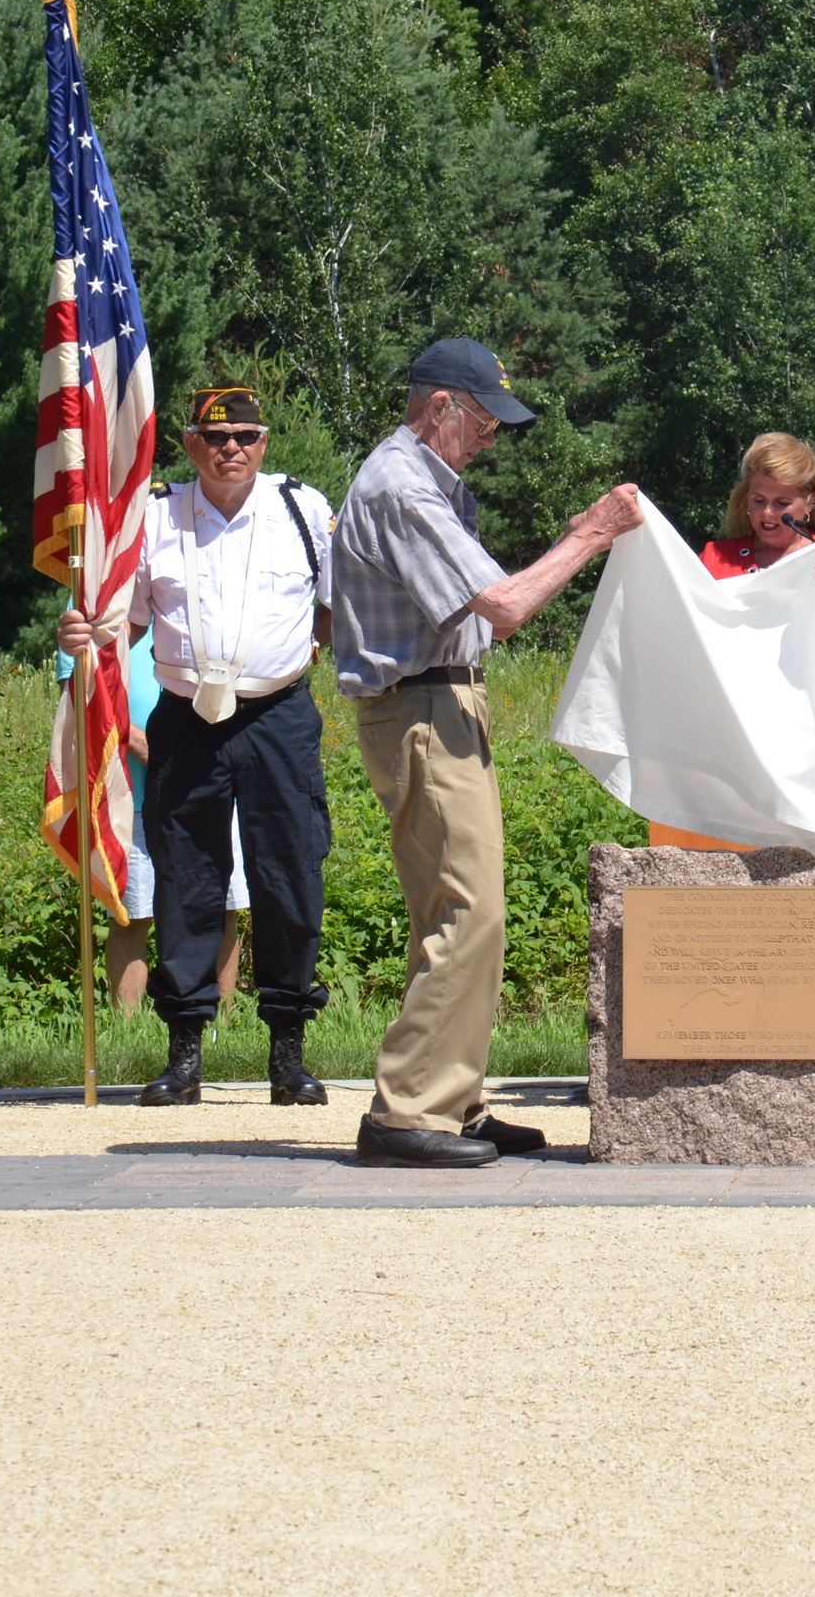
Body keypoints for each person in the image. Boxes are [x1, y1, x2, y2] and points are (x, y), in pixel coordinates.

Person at [331, 337, 642, 1169]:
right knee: (469, 911)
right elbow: (503, 607)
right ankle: (409, 1110)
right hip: (421, 706)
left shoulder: (426, 482)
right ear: (439, 407)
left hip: (437, 701)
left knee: (455, 910)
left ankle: (453, 1098)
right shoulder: (402, 486)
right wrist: (591, 538)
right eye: (484, 420)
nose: (493, 438)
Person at [59, 385, 335, 1107]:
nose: (231, 449)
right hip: (188, 719)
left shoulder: (302, 510)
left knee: (289, 878)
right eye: (215, 438)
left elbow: (335, 611)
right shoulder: (154, 519)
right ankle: (184, 1054)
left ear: (265, 442)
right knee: (186, 882)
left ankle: (289, 1052)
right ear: (189, 446)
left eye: (245, 435)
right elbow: (122, 623)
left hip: (278, 717)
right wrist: (83, 638)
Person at [56, 631, 245, 1014]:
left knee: (220, 910)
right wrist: (145, 746)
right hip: (130, 800)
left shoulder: (194, 591)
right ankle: (129, 1032)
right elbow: (81, 701)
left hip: (210, 785)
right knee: (131, 917)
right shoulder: (96, 599)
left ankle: (219, 1031)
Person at [699, 433, 815, 578]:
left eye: (782, 503)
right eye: (758, 500)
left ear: (809, 502)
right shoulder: (713, 559)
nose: (767, 512)